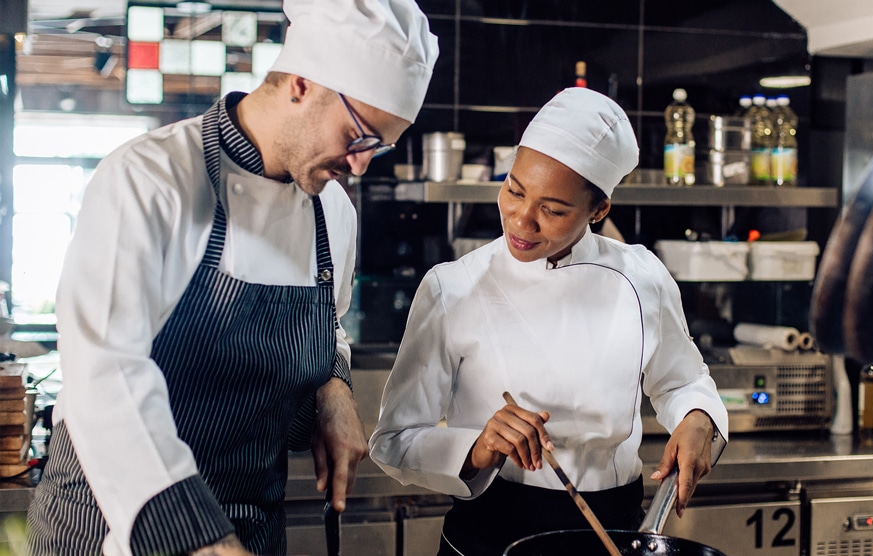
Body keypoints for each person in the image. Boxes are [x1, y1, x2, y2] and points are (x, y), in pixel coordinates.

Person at [25, 1, 438, 555]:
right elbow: (104, 376)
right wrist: (200, 539)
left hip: (249, 525)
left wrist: (332, 387)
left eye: (378, 147)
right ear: (300, 84)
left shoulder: (332, 213)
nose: (361, 165)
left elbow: (327, 325)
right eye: (359, 135)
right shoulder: (150, 180)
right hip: (118, 525)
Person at [369, 87, 729, 556]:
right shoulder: (453, 287)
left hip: (613, 529)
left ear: (598, 211)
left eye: (553, 210)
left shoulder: (642, 277)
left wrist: (698, 417)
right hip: (492, 533)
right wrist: (477, 448)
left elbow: (683, 382)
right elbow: (394, 440)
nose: (521, 220)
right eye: (514, 191)